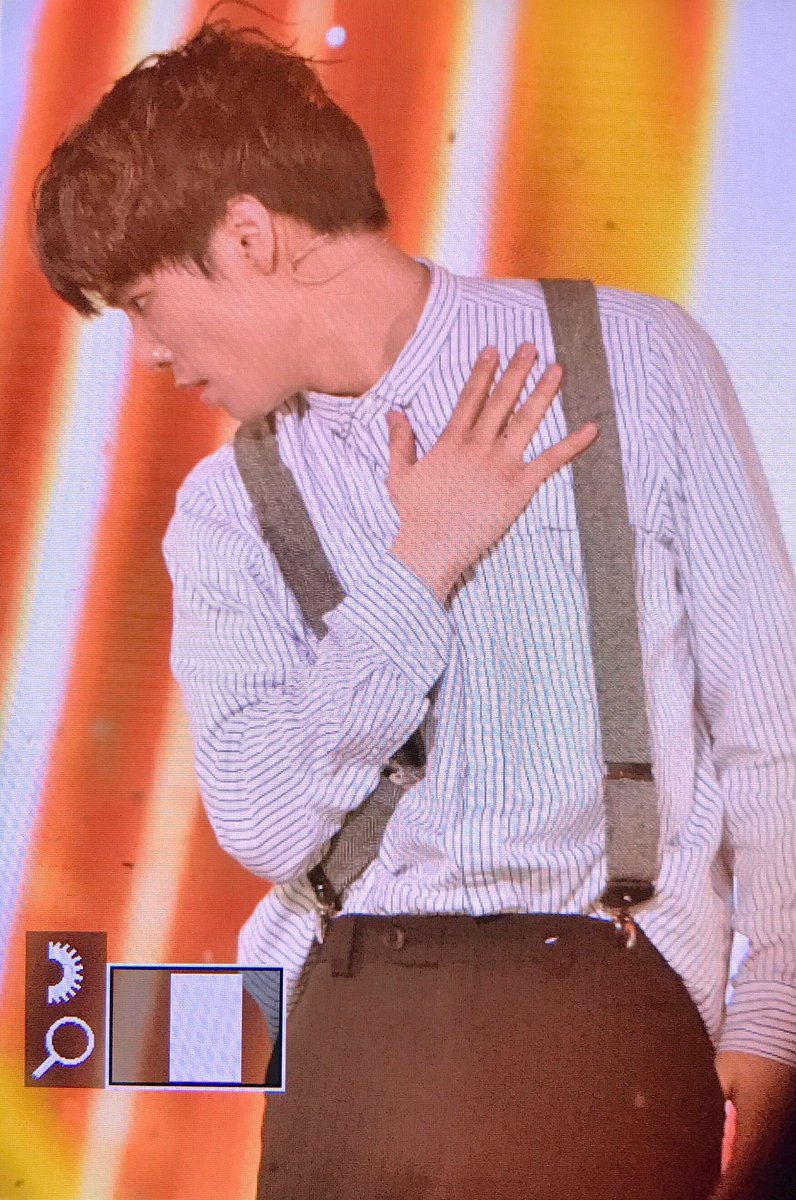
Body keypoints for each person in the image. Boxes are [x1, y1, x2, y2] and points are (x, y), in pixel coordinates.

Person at [31, 17, 796, 1200]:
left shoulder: (634, 360)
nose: (146, 355)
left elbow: (771, 717)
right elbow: (265, 824)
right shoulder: (226, 509)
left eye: (142, 301)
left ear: (249, 235)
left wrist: (777, 1000)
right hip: (346, 1030)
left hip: (597, 1018)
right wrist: (419, 560)